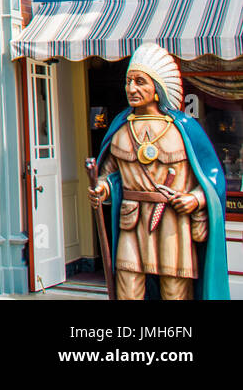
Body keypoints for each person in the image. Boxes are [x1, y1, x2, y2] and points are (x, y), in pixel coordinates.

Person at [89, 44, 229, 299]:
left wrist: (195, 198)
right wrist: (102, 186)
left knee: (174, 289)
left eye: (140, 82)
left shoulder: (183, 129)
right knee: (127, 287)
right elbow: (111, 171)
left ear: (158, 87)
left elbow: (211, 177)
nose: (132, 89)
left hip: (173, 221)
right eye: (129, 81)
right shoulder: (121, 129)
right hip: (132, 221)